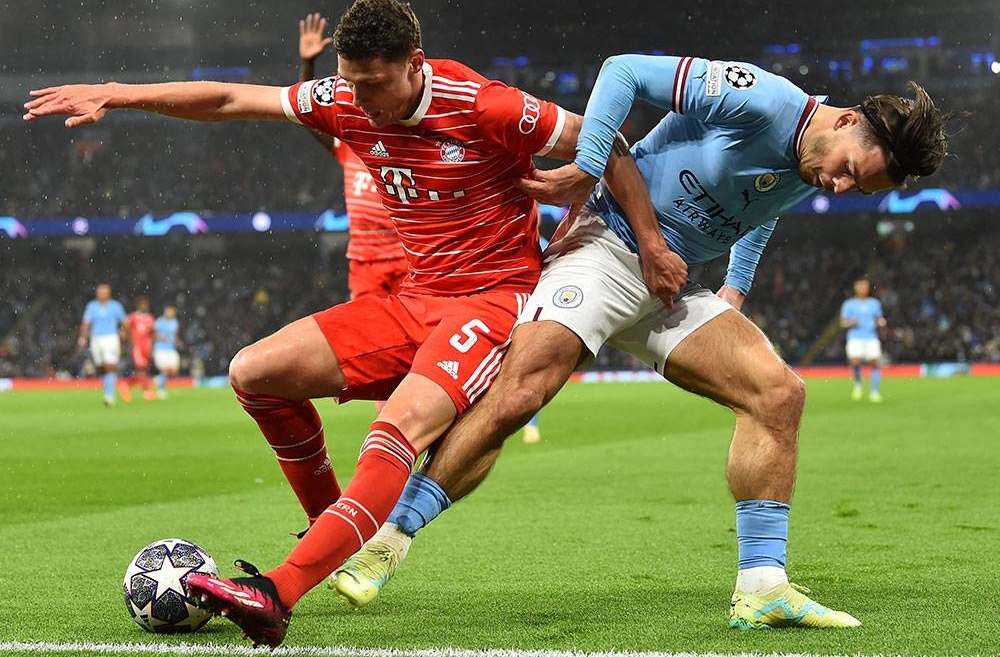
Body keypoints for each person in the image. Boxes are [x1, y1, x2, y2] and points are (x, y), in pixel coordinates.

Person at [24, 0, 655, 647]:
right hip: (413, 299)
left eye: (375, 85)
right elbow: (231, 101)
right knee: (255, 372)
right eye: (352, 83)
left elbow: (611, 141)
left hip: (492, 301)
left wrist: (637, 230)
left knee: (395, 429)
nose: (362, 100)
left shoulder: (483, 105)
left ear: (415, 64)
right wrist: (119, 94)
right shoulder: (345, 97)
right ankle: (333, 523)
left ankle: (275, 592)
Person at [331, 55, 956, 630]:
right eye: (848, 171)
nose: (838, 187)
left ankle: (762, 584)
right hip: (605, 246)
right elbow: (623, 69)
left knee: (779, 394)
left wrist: (734, 291)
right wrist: (590, 161)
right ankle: (387, 542)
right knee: (522, 393)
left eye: (855, 188)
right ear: (846, 121)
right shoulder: (761, 99)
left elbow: (761, 211)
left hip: (670, 284)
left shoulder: (812, 161)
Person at [298, 12, 408, 412]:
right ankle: (393, 436)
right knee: (380, 358)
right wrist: (309, 65)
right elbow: (309, 119)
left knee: (420, 355)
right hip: (364, 264)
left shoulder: (400, 146)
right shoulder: (349, 149)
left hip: (408, 261)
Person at [78, 283, 127, 406]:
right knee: (101, 367)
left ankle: (109, 395)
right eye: (100, 292)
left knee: (110, 366)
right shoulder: (92, 306)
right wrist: (83, 337)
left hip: (111, 337)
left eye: (105, 292)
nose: (102, 294)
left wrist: (124, 333)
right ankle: (110, 386)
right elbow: (86, 323)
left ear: (109, 293)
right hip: (96, 339)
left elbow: (124, 322)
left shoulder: (115, 306)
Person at [840, 278, 887, 402]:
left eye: (865, 286)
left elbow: (879, 319)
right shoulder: (849, 304)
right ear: (856, 288)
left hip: (871, 337)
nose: (863, 289)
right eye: (860, 286)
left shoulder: (874, 303)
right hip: (855, 337)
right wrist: (851, 322)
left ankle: (874, 392)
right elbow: (843, 323)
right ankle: (859, 383)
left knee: (875, 363)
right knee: (855, 361)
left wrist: (880, 323)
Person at [121, 296, 157, 402]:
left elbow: (152, 333)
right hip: (137, 347)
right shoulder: (133, 317)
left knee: (143, 370)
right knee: (141, 368)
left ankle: (126, 384)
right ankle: (146, 392)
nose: (144, 306)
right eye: (142, 304)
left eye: (145, 305)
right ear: (138, 305)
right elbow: (125, 328)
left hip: (146, 347)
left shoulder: (150, 318)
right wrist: (128, 339)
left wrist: (152, 344)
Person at [153, 305, 182, 399]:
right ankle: (161, 390)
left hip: (171, 349)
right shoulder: (159, 322)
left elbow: (174, 335)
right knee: (165, 369)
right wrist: (159, 337)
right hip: (160, 349)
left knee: (174, 370)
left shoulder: (175, 323)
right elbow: (153, 334)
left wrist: (178, 342)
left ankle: (158, 379)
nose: (169, 313)